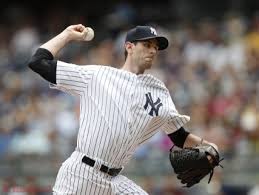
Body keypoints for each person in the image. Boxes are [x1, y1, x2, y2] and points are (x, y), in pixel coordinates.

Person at [28, 24, 219, 195]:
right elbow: (38, 62)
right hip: (81, 176)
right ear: (129, 47)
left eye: (155, 47)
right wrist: (67, 35)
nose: (153, 50)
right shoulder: (97, 76)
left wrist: (208, 146)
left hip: (114, 180)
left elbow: (179, 136)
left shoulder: (159, 91)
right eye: (147, 45)